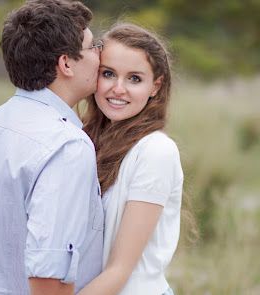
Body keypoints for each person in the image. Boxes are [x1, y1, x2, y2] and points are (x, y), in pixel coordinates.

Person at [0, 1, 105, 294]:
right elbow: (49, 276)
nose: (101, 55)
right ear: (66, 64)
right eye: (93, 46)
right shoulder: (68, 145)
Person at [79, 22, 187, 295]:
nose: (118, 88)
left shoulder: (155, 152)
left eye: (134, 79)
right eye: (108, 74)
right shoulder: (82, 139)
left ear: (155, 86)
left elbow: (120, 271)